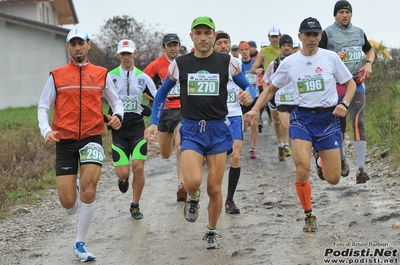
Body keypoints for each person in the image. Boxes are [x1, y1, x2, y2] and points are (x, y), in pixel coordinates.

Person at [144, 16, 254, 249]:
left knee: (214, 188)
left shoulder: (228, 62)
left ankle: (211, 231)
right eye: (198, 33)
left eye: (207, 33)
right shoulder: (180, 64)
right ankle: (193, 198)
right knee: (192, 182)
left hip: (217, 129)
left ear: (214, 36)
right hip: (192, 129)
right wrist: (154, 122)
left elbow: (249, 86)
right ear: (192, 36)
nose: (203, 37)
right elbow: (162, 94)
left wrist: (249, 95)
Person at [244, 17, 356, 232]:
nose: (311, 39)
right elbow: (270, 89)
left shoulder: (330, 58)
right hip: (302, 119)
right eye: (307, 34)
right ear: (300, 36)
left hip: (328, 119)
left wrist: (345, 103)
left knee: (333, 179)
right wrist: (255, 109)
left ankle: (321, 161)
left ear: (320, 37)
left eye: (315, 35)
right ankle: (309, 213)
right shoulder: (290, 62)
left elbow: (349, 83)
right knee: (302, 168)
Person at [37, 28, 124, 262]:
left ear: (88, 45)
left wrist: (118, 116)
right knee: (68, 205)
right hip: (64, 142)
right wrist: (46, 130)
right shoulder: (56, 75)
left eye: (81, 43)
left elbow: (116, 103)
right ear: (67, 47)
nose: (77, 48)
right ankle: (72, 190)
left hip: (92, 138)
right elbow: (43, 107)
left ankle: (79, 243)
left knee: (89, 189)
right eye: (72, 44)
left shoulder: (101, 73)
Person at [318, 0, 375, 184]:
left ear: (351, 14)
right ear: (335, 14)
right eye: (341, 12)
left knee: (359, 122)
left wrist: (368, 63)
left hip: (356, 83)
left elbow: (370, 50)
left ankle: (361, 169)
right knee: (338, 125)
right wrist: (334, 56)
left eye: (347, 12)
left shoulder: (359, 32)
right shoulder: (327, 33)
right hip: (336, 86)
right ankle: (341, 159)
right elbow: (317, 55)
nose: (345, 15)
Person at [108, 39, 157, 220]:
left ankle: (135, 205)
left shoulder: (143, 77)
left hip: (137, 126)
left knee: (138, 168)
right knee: (123, 172)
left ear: (135, 54)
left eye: (129, 53)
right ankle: (123, 179)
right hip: (118, 128)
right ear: (118, 55)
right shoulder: (109, 76)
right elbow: (97, 97)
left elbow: (158, 98)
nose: (126, 57)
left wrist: (150, 109)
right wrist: (106, 116)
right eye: (123, 54)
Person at [213, 31, 255, 214]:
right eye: (219, 43)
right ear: (214, 46)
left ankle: (229, 200)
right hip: (214, 117)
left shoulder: (235, 63)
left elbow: (248, 87)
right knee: (217, 160)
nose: (223, 46)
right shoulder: (207, 64)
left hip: (234, 114)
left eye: (226, 42)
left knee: (235, 156)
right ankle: (214, 194)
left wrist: (248, 96)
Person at [143, 33, 186, 202]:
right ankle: (177, 143)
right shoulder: (155, 65)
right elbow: (141, 84)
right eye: (170, 45)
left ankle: (181, 185)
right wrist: (156, 97)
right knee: (166, 154)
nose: (173, 48)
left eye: (175, 44)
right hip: (164, 112)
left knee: (180, 148)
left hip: (182, 111)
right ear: (163, 47)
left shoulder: (185, 62)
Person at [263, 34, 295, 161]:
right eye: (284, 45)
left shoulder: (297, 61)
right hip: (276, 97)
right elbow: (265, 80)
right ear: (280, 47)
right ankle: (280, 144)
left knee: (287, 123)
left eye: (289, 45)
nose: (286, 48)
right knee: (276, 121)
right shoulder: (274, 64)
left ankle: (286, 145)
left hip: (291, 98)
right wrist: (267, 93)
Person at [251, 27, 282, 130]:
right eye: (272, 37)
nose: (274, 39)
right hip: (270, 85)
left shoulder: (284, 48)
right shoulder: (264, 51)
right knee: (276, 119)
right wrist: (257, 70)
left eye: (276, 36)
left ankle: (285, 142)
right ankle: (280, 143)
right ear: (269, 37)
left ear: (280, 36)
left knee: (285, 116)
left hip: (284, 85)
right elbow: (253, 68)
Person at [238, 41, 261, 159]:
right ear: (239, 51)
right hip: (242, 98)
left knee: (254, 123)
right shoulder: (237, 64)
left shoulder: (254, 64)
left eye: (246, 49)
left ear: (250, 50)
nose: (244, 52)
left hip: (255, 96)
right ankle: (236, 145)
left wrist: (259, 72)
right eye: (242, 50)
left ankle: (252, 149)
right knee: (243, 125)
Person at [248, 40, 269, 132]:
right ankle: (257, 117)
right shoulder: (255, 57)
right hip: (257, 84)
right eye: (262, 47)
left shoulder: (263, 55)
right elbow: (252, 69)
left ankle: (261, 117)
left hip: (266, 83)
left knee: (265, 102)